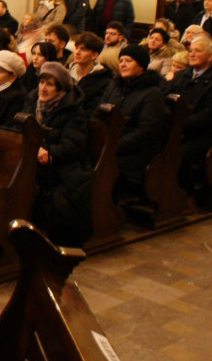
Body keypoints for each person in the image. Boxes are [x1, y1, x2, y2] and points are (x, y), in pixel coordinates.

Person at [24, 62, 92, 246]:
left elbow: (72, 146)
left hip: (60, 168)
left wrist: (47, 151)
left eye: (50, 84)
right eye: (42, 82)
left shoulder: (73, 111)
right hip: (32, 159)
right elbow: (19, 128)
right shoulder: (33, 102)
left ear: (60, 88)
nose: (43, 88)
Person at [166, 36, 212, 194]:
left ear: (210, 56)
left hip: (201, 134)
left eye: (197, 51)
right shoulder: (183, 76)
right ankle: (158, 191)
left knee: (181, 154)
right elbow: (167, 98)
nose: (192, 54)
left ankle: (186, 195)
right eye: (190, 51)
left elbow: (211, 115)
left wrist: (181, 127)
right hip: (176, 129)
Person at [98, 44, 168, 187]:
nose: (122, 64)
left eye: (128, 61)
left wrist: (113, 146)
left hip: (136, 151)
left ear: (141, 65)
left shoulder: (152, 93)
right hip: (108, 143)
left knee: (101, 167)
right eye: (121, 61)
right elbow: (98, 112)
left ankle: (105, 206)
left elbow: (145, 132)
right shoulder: (115, 86)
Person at [69, 32, 114, 114]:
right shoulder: (66, 73)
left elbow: (94, 109)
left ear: (94, 55)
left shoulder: (104, 81)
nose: (77, 52)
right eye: (77, 48)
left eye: (83, 49)